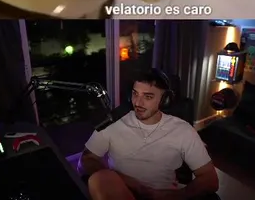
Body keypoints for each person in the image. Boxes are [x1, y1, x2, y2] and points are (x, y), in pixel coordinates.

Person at [81, 70, 219, 200]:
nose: (137, 102)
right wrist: (126, 182)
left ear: (165, 100)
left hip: (163, 196)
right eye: (135, 94)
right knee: (99, 179)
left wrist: (175, 196)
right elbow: (88, 158)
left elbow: (210, 180)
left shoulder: (183, 130)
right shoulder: (113, 122)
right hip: (121, 191)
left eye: (148, 97)